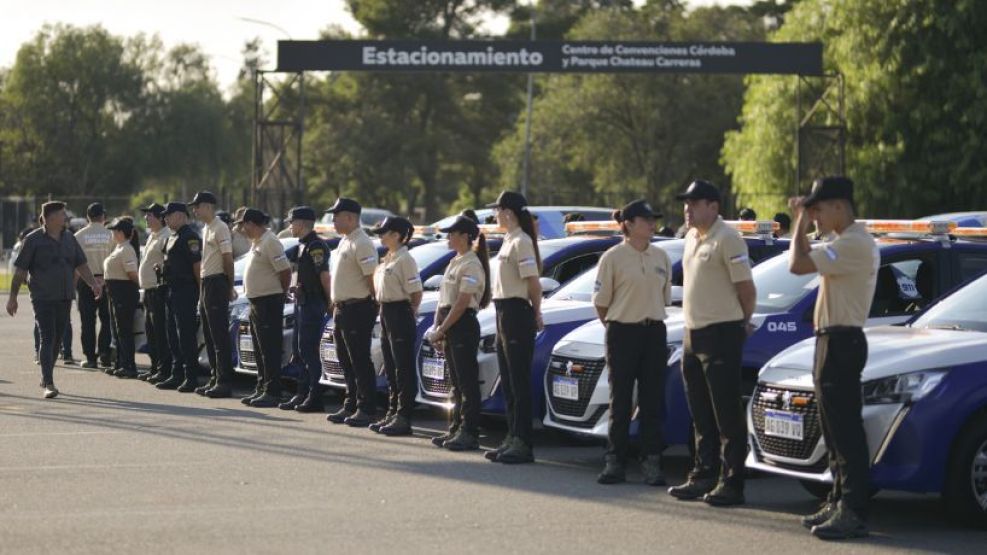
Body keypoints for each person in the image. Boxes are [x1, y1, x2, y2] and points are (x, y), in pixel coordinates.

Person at [788, 177, 878, 540]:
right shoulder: (843, 241)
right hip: (831, 339)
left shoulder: (855, 242)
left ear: (840, 206)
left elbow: (797, 264)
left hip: (843, 340)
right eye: (811, 211)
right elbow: (805, 258)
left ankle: (853, 509)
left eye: (819, 209)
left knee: (845, 430)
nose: (816, 217)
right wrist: (805, 220)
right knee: (832, 428)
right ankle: (839, 498)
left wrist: (798, 220)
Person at [668, 180, 756, 507]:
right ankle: (703, 474)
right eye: (685, 203)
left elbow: (746, 289)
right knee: (700, 412)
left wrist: (741, 322)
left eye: (694, 203)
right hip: (692, 333)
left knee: (726, 413)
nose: (687, 209)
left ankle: (732, 482)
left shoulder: (728, 238)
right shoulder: (691, 237)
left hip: (721, 333)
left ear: (713, 206)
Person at [593, 199, 673, 485]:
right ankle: (615, 461)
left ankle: (651, 461)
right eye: (646, 220)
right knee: (621, 400)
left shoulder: (661, 256)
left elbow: (664, 298)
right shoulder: (612, 257)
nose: (652, 224)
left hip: (654, 332)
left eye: (654, 220)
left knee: (652, 400)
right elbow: (601, 303)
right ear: (628, 224)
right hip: (622, 332)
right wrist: (618, 325)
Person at [8, 201, 102, 398]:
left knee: (57, 339)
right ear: (50, 218)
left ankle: (46, 375)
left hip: (65, 296)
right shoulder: (33, 240)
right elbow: (20, 271)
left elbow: (81, 264)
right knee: (47, 337)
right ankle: (49, 383)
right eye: (61, 214)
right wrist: (13, 298)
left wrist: (93, 283)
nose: (65, 217)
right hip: (42, 297)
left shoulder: (69, 238)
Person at [486, 191, 542, 464]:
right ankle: (512, 435)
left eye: (497, 210)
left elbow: (533, 282)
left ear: (508, 212)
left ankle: (523, 442)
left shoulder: (522, 241)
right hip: (502, 311)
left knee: (519, 381)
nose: (495, 215)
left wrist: (537, 312)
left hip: (517, 312)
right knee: (508, 380)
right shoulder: (509, 240)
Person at [427, 215, 491, 452]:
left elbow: (463, 302)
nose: (448, 238)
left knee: (466, 382)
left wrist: (442, 329)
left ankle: (469, 432)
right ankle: (455, 427)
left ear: (465, 237)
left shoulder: (471, 263)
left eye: (452, 234)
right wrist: (438, 327)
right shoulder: (455, 261)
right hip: (450, 322)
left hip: (462, 324)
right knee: (454, 382)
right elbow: (444, 300)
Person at [324, 198, 380, 427]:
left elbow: (371, 279)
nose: (333, 220)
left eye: (336, 216)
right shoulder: (344, 241)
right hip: (342, 308)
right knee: (345, 359)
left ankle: (366, 408)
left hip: (358, 307)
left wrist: (372, 305)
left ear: (349, 217)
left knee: (359, 359)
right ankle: (351, 403)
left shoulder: (362, 242)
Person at [369, 216, 423, 436]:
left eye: (384, 233)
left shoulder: (405, 259)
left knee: (402, 368)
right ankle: (392, 411)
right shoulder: (388, 258)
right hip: (386, 312)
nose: (381, 237)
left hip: (400, 312)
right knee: (391, 367)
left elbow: (415, 293)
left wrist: (409, 312)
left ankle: (403, 416)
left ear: (397, 235)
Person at [237, 208, 292, 408]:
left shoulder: (270, 241)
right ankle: (262, 387)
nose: (242, 229)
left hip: (269, 302)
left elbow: (285, 271)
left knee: (269, 348)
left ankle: (272, 391)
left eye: (243, 225)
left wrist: (280, 294)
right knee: (260, 348)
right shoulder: (257, 242)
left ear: (252, 224)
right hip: (257, 302)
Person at [280, 206, 332, 412]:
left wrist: (330, 301)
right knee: (299, 350)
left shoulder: (315, 246)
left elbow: (324, 276)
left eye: (292, 222)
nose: (290, 226)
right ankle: (301, 393)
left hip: (313, 302)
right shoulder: (301, 246)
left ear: (301, 223)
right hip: (301, 302)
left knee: (309, 350)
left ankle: (315, 396)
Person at [190, 191, 237, 397]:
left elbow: (227, 258)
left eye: (197, 206)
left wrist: (229, 285)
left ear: (208, 206)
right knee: (209, 334)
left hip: (217, 281)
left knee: (219, 335)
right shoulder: (206, 228)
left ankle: (224, 382)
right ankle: (214, 377)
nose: (195, 210)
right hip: (207, 282)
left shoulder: (220, 227)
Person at [156, 202, 202, 393]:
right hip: (171, 290)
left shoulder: (190, 236)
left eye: (169, 215)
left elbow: (197, 266)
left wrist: (201, 292)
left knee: (186, 335)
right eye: (164, 216)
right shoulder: (171, 237)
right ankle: (177, 374)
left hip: (186, 290)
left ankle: (190, 377)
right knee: (172, 335)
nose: (165, 218)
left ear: (181, 215)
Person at [138, 203, 174, 383]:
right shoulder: (153, 236)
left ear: (160, 218)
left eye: (150, 214)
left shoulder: (166, 236)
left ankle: (164, 370)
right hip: (148, 291)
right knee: (151, 333)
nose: (146, 217)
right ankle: (154, 368)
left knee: (160, 333)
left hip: (159, 291)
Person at [75, 202, 114, 369]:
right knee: (107, 319)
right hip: (106, 280)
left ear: (87, 217)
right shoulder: (111, 234)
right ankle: (105, 354)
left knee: (87, 321)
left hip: (85, 281)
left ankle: (90, 358)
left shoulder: (78, 236)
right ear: (103, 216)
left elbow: (75, 263)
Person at [103, 218, 142, 378]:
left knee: (124, 330)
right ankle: (120, 363)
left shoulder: (126, 249)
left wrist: (140, 287)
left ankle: (129, 365)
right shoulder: (119, 248)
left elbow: (132, 274)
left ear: (121, 232)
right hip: (115, 292)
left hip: (124, 292)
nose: (113, 233)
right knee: (118, 330)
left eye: (115, 230)